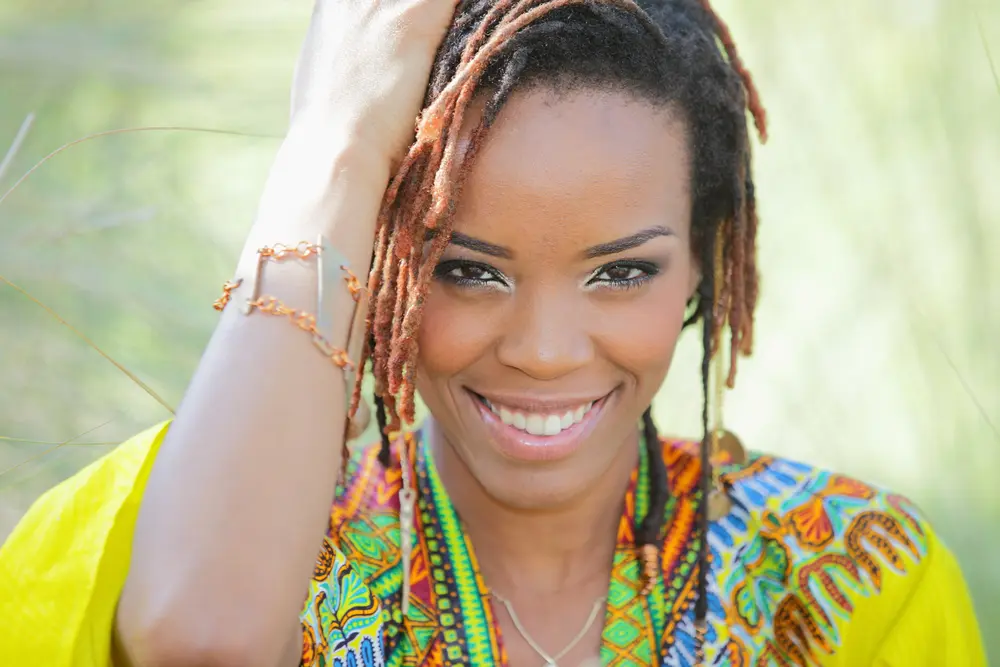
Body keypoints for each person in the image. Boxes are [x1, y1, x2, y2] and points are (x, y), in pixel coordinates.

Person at [0, 0, 987, 665]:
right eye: (465, 269)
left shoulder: (858, 585)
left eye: (619, 271)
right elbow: (199, 642)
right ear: (379, 264)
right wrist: (335, 147)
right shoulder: (207, 536)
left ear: (704, 260)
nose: (545, 349)